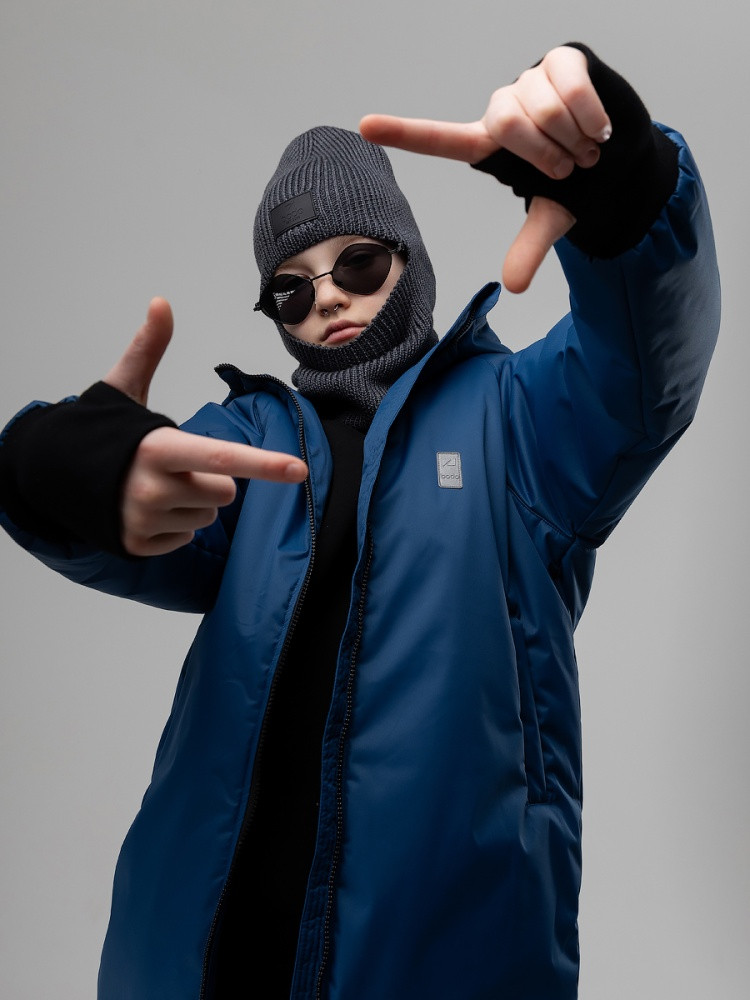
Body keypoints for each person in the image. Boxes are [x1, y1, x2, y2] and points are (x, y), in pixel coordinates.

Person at [0, 43, 720, 1000]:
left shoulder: (515, 420)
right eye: (291, 287)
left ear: (408, 258)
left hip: (441, 960)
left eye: (358, 262)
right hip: (193, 956)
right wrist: (67, 467)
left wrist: (625, 191)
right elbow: (118, 503)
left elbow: (644, 367)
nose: (328, 296)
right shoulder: (247, 442)